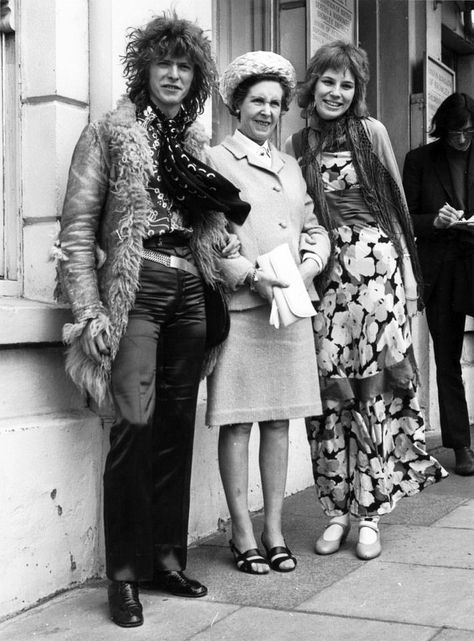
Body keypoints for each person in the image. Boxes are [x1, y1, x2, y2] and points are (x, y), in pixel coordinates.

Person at [55, 13, 250, 628]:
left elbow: (209, 231)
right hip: (136, 288)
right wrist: (88, 309)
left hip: (190, 287)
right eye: (163, 62)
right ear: (144, 69)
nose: (173, 73)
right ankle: (125, 574)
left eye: (184, 65)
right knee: (134, 426)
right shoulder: (109, 133)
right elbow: (79, 230)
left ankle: (166, 558)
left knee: (174, 424)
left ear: (195, 76)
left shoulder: (191, 147)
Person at [285, 40, 447, 561]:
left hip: (378, 276)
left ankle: (371, 513)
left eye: (347, 84)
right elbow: (295, 218)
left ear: (357, 93)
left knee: (375, 391)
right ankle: (336, 510)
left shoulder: (370, 132)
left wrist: (412, 282)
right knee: (330, 395)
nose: (336, 92)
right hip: (324, 280)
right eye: (328, 81)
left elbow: (397, 207)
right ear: (314, 84)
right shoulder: (296, 142)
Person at [206, 51, 331, 575]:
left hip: (290, 309)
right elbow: (209, 238)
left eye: (276, 103)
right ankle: (241, 532)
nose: (267, 110)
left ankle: (274, 529)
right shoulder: (215, 160)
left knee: (279, 423)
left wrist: (310, 264)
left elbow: (315, 227)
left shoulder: (291, 167)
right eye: (257, 100)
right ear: (237, 104)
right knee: (237, 424)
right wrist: (247, 274)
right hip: (244, 308)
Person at [403, 93, 474, 476]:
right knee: (447, 360)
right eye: (454, 133)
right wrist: (436, 221)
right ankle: (460, 445)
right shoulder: (419, 160)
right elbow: (405, 218)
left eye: (468, 132)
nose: (462, 140)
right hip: (441, 268)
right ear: (441, 129)